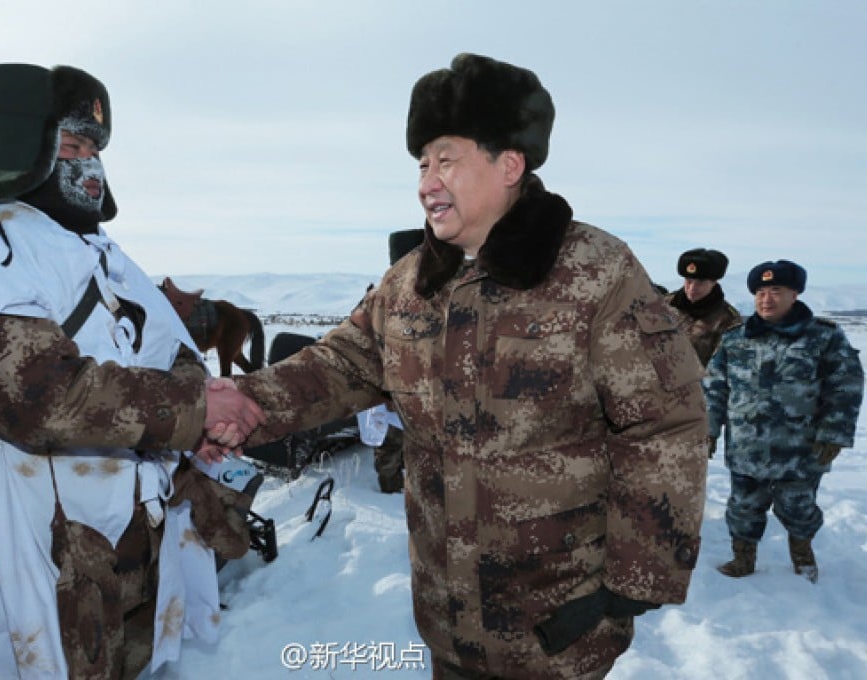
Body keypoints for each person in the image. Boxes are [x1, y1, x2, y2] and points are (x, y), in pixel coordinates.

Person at [227, 53, 709, 679]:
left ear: (509, 164)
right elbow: (341, 364)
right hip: (448, 618)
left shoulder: (594, 272)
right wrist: (241, 404)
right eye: (422, 164)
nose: (427, 180)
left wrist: (633, 582)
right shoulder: (409, 284)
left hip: (557, 627)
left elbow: (665, 425)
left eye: (446, 159)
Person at [0, 63, 263, 678]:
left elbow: (171, 351)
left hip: (132, 529)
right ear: (22, 146)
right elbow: (43, 394)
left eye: (95, 149)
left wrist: (205, 406)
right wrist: (196, 409)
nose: (88, 164)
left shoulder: (104, 255)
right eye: (71, 145)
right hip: (43, 538)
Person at [705, 260, 863, 583]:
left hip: (800, 450)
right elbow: (714, 388)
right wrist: (708, 429)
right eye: (760, 292)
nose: (766, 298)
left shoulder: (823, 337)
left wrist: (833, 432)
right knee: (743, 507)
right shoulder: (735, 339)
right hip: (747, 446)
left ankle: (802, 555)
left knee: (799, 508)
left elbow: (845, 386)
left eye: (776, 290)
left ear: (795, 294)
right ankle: (743, 558)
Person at [356, 229, 424, 493]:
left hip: (420, 389)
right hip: (390, 384)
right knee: (390, 442)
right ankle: (390, 490)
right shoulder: (382, 298)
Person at [665, 248, 742, 367]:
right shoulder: (662, 305)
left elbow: (725, 366)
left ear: (714, 282)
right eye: (688, 281)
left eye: (700, 282)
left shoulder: (728, 319)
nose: (692, 288)